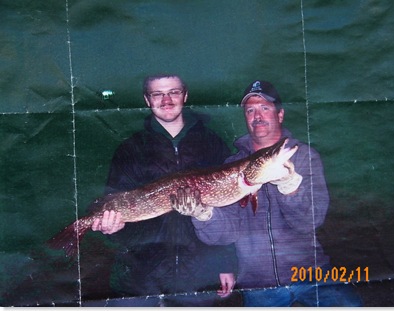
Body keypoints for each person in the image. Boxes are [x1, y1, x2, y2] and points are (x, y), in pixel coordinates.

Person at [173, 80, 363, 307]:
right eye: (250, 110)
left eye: (265, 108)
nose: (257, 116)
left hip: (310, 273)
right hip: (258, 281)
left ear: (280, 115)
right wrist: (204, 215)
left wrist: (290, 187)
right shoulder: (231, 165)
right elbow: (225, 234)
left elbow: (310, 221)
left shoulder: (304, 156)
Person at [90, 74, 238, 307]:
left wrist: (225, 264)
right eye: (157, 94)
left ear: (185, 95)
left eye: (174, 92)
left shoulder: (212, 143)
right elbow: (118, 215)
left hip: (198, 274)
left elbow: (227, 211)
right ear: (147, 100)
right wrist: (113, 228)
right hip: (140, 276)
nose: (166, 100)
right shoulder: (129, 149)